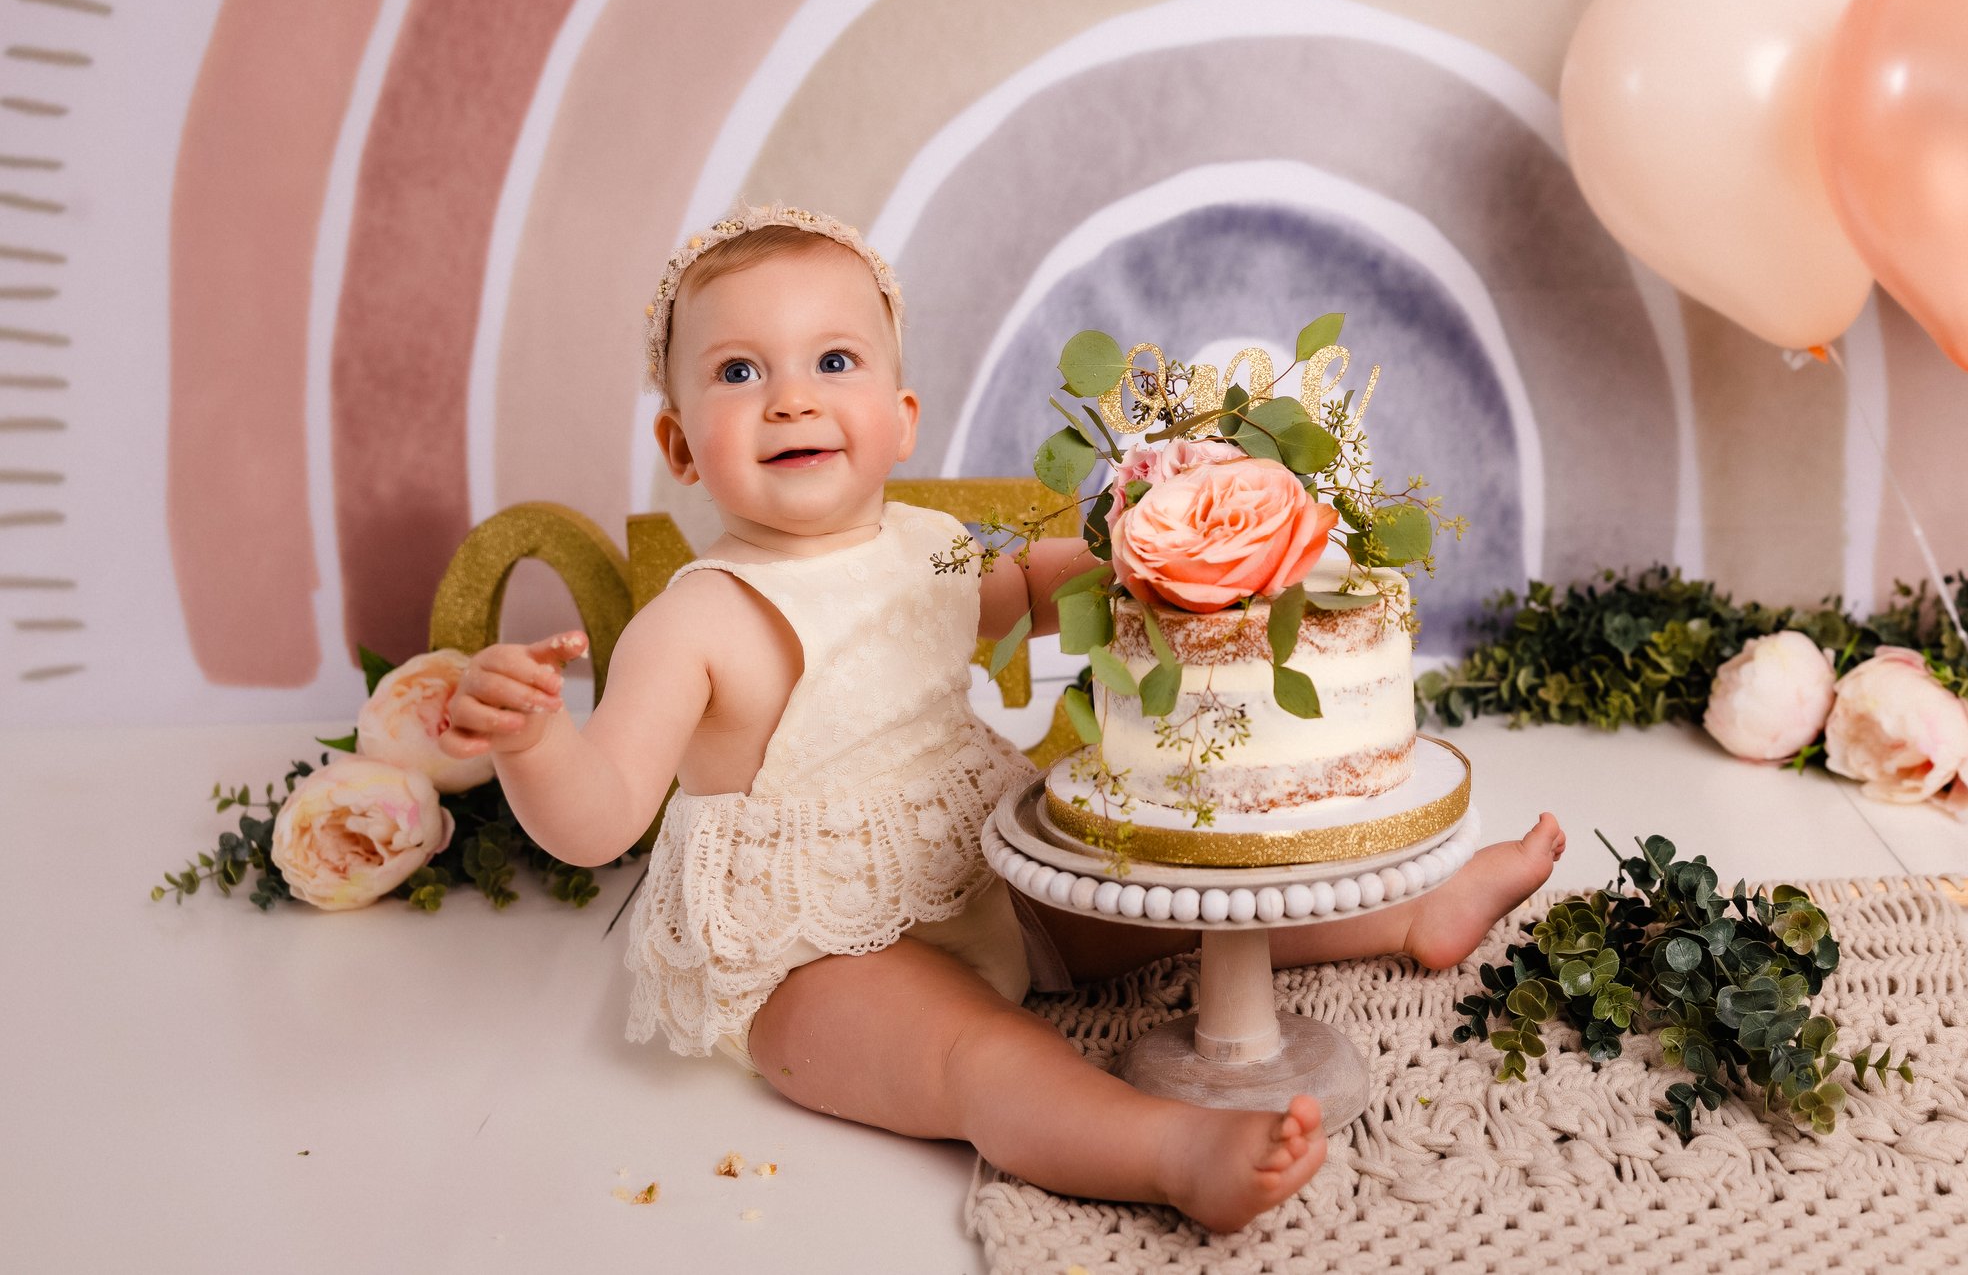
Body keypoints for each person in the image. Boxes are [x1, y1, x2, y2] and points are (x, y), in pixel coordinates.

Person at [441, 206, 1565, 1232]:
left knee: (1171, 897)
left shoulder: (927, 544)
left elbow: (1037, 585)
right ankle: (1171, 1151)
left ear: (897, 419)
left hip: (976, 879)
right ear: (681, 445)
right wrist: (538, 745)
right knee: (977, 1057)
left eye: (833, 362)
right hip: (816, 963)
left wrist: (1166, 531)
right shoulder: (695, 624)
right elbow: (596, 823)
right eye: (739, 372)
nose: (791, 397)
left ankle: (1414, 913)